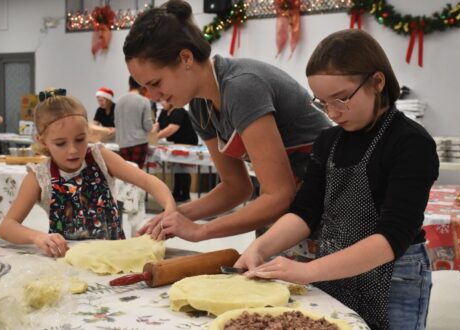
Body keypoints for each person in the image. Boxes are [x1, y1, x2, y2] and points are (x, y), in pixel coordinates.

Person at [234, 29, 439, 330]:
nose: (332, 113)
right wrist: (261, 248)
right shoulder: (328, 141)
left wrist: (308, 271)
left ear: (377, 82)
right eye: (322, 102)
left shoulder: (410, 143)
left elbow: (391, 238)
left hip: (395, 275)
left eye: (341, 99)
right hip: (334, 270)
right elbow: (305, 211)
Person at [123, 0, 331, 242]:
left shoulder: (241, 87)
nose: (153, 96)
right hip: (295, 210)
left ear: (186, 58)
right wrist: (173, 216)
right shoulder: (200, 106)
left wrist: (201, 230)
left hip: (329, 201)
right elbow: (236, 187)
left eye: (155, 83)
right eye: (145, 87)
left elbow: (278, 195)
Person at [0, 90, 175, 258]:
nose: (73, 150)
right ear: (42, 141)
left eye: (80, 139)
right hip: (68, 260)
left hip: (113, 255)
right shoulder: (39, 176)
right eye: (60, 143)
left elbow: (147, 180)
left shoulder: (100, 158)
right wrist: (37, 237)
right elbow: (7, 227)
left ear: (88, 133)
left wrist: (169, 206)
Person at [153, 100, 199, 202]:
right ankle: (177, 192)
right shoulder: (164, 111)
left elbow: (172, 128)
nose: (161, 103)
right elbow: (157, 125)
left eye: (163, 101)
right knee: (176, 169)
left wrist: (155, 137)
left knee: (183, 169)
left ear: (170, 102)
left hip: (187, 142)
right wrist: (150, 134)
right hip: (175, 143)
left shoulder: (179, 111)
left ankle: (185, 194)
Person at [114, 76, 153, 169]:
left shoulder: (119, 101)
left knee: (127, 174)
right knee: (137, 174)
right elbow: (148, 126)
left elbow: (116, 122)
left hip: (123, 143)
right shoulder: (144, 100)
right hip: (139, 142)